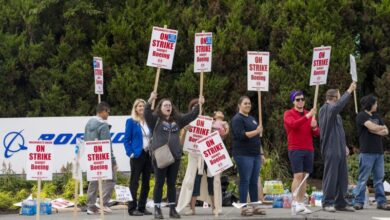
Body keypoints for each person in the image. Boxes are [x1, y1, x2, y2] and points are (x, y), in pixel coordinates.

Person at [144, 92, 204, 219]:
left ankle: (172, 209)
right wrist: (150, 100)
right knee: (159, 183)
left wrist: (199, 104)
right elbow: (146, 113)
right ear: (160, 108)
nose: (168, 107)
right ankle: (157, 209)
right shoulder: (155, 120)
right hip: (160, 157)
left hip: (175, 157)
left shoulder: (178, 120)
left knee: (171, 184)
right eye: (165, 105)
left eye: (170, 105)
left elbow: (192, 115)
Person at [176, 107, 226, 216]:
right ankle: (191, 208)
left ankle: (215, 207)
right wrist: (184, 131)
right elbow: (182, 143)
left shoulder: (209, 121)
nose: (197, 110)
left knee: (212, 181)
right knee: (193, 181)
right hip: (195, 156)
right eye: (195, 108)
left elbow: (222, 135)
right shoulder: (187, 122)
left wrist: (217, 129)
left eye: (199, 108)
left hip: (209, 155)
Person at [319, 82, 356, 212]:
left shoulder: (336, 114)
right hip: (330, 148)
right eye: (339, 97)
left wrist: (344, 146)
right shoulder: (326, 109)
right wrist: (349, 91)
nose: (340, 99)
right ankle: (327, 202)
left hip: (339, 148)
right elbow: (337, 107)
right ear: (334, 98)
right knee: (331, 176)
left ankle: (341, 202)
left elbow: (339, 132)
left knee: (342, 177)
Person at [283, 90, 319, 214]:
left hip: (309, 149)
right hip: (295, 148)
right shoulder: (288, 113)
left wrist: (314, 126)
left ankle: (301, 203)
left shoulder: (309, 113)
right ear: (293, 101)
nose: (300, 101)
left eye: (302, 99)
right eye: (297, 99)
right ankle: (295, 202)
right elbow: (294, 125)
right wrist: (308, 117)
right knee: (298, 175)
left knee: (305, 177)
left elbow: (316, 133)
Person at [353, 95, 390, 210]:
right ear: (370, 104)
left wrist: (375, 129)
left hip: (379, 152)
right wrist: (379, 128)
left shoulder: (377, 116)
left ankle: (381, 202)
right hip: (367, 152)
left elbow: (386, 131)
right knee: (363, 178)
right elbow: (371, 126)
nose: (377, 105)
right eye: (375, 103)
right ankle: (358, 202)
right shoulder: (361, 116)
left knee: (379, 178)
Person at [231, 96, 266, 216]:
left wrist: (261, 153)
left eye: (249, 103)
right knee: (245, 180)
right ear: (239, 105)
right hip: (243, 154)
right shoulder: (237, 119)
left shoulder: (252, 119)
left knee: (253, 181)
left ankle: (255, 205)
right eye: (245, 103)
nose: (248, 105)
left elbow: (257, 138)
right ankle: (243, 207)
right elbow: (241, 135)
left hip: (255, 154)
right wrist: (256, 131)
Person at [85, 101, 117, 215]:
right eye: (108, 112)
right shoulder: (103, 125)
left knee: (94, 180)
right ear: (103, 111)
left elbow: (86, 140)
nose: (108, 115)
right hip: (104, 156)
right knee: (111, 179)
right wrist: (113, 160)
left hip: (93, 156)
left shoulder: (89, 123)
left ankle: (91, 206)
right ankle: (103, 202)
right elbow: (107, 144)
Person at [124, 99, 153, 216]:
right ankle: (132, 208)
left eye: (143, 106)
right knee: (134, 182)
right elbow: (126, 140)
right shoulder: (131, 121)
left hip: (148, 154)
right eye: (139, 106)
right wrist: (130, 153)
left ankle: (142, 207)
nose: (141, 108)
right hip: (137, 155)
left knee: (146, 182)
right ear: (135, 108)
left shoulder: (149, 121)